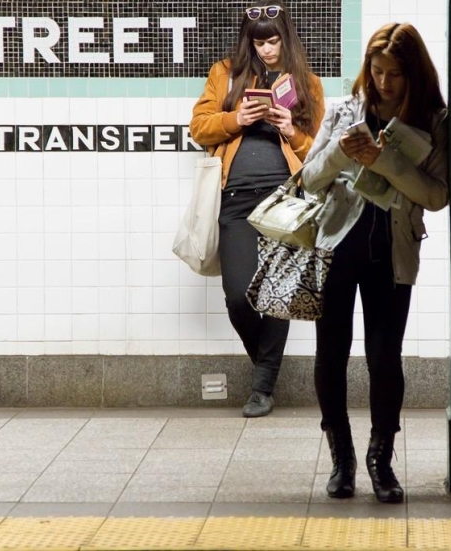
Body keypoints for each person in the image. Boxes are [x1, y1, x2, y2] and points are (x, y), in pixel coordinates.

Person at [300, 23, 448, 502]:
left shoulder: (434, 121)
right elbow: (308, 180)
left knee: (385, 357)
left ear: (414, 74)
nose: (384, 83)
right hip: (337, 246)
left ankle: (380, 459)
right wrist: (342, 154)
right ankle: (341, 459)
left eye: (396, 74)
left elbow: (437, 196)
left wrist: (385, 161)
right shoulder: (345, 110)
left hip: (392, 252)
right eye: (377, 71)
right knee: (332, 352)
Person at [189, 0, 325, 418]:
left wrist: (291, 131)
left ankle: (262, 387)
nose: (267, 49)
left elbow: (321, 152)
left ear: (286, 38)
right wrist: (235, 118)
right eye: (259, 41)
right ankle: (266, 369)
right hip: (236, 199)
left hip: (285, 199)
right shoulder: (225, 73)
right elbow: (198, 128)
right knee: (237, 296)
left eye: (273, 40)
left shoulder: (307, 83)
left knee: (275, 295)